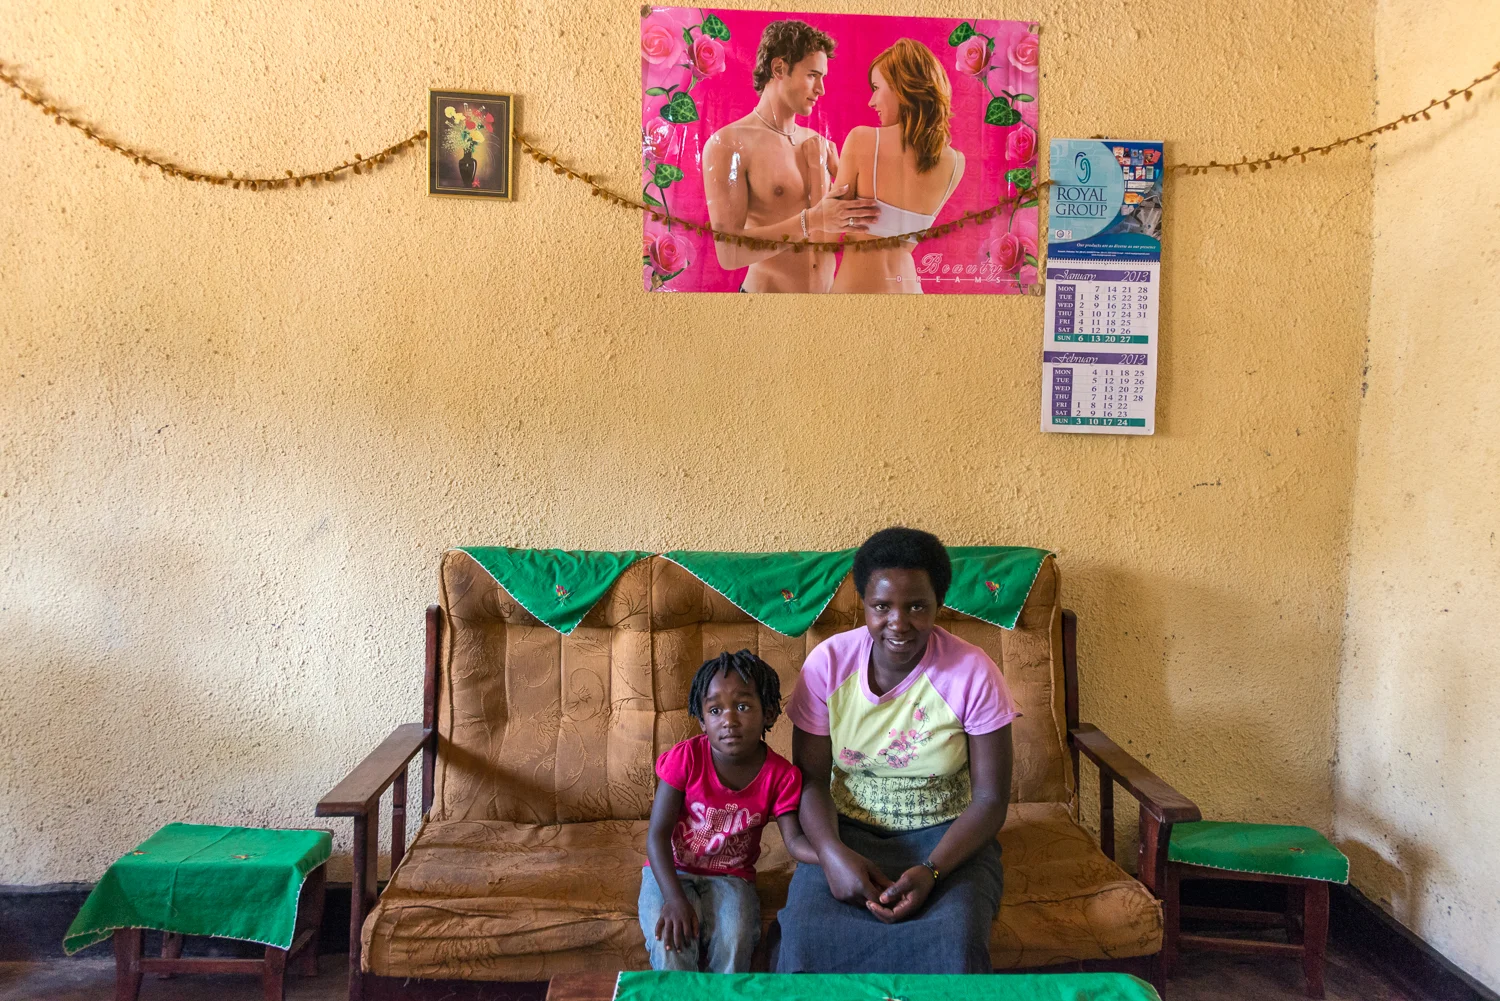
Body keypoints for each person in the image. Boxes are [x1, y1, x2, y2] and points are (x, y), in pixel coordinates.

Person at [774, 527, 1017, 973]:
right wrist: (830, 854)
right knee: (807, 939)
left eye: (917, 606)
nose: (898, 622)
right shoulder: (828, 665)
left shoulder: (973, 673)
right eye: (881, 606)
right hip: (846, 833)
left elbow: (990, 800)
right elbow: (809, 780)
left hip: (949, 841)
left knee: (954, 944)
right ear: (862, 602)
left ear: (939, 605)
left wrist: (933, 870)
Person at [639, 650, 818, 971]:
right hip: (671, 869)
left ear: (769, 712)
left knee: (736, 940)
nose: (729, 720)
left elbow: (794, 841)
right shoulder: (685, 759)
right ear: (702, 720)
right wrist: (674, 898)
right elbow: (657, 835)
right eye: (715, 710)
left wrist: (834, 856)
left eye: (743, 706)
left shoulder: (781, 775)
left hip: (731, 877)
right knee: (672, 943)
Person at [702, 20, 879, 292]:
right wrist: (813, 220)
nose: (821, 89)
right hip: (765, 308)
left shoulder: (818, 145)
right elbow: (729, 253)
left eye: (823, 77)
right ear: (779, 68)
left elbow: (847, 231)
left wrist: (843, 179)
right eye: (812, 75)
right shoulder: (729, 144)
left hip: (826, 308)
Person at [829, 40, 966, 294]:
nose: (871, 101)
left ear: (902, 89)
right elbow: (897, 230)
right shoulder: (956, 162)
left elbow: (828, 230)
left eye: (876, 87)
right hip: (909, 294)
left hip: (856, 296)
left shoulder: (863, 140)